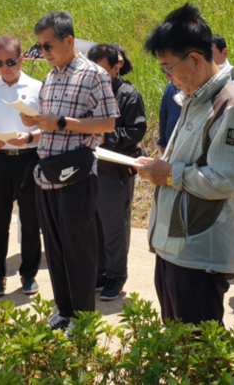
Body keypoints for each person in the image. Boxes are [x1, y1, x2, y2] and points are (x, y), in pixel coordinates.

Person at [138, 3, 234, 326]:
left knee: (200, 359)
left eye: (167, 67)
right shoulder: (194, 98)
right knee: (180, 349)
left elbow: (230, 179)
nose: (167, 76)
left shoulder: (230, 104)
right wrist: (159, 166)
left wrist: (170, 174)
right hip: (175, 248)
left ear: (194, 59)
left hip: (198, 251)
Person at [20, 11, 118, 332]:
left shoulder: (94, 75)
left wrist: (61, 122)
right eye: (40, 47)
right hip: (47, 174)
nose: (44, 53)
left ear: (69, 40)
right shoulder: (51, 78)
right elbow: (51, 126)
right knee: (57, 248)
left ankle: (84, 318)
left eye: (48, 46)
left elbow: (107, 124)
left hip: (76, 174)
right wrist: (35, 125)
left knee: (79, 250)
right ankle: (64, 311)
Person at [0, 35, 44, 296]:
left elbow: (48, 128)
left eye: (10, 61)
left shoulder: (39, 87)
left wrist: (30, 137)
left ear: (22, 58)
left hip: (28, 158)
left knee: (30, 220)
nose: (5, 67)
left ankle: (28, 274)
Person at [87, 43, 147, 302]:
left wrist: (105, 137)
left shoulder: (128, 95)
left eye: (101, 70)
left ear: (116, 67)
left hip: (116, 170)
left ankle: (115, 276)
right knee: (95, 225)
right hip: (91, 169)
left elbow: (136, 131)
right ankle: (100, 273)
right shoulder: (89, 93)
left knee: (114, 227)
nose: (97, 76)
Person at [157, 80, 181, 155]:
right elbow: (163, 114)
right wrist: (163, 143)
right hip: (171, 142)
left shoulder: (196, 85)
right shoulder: (171, 85)